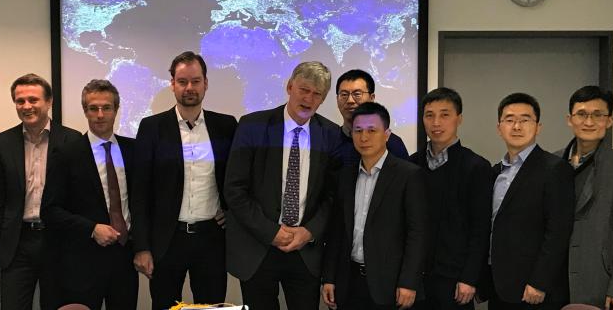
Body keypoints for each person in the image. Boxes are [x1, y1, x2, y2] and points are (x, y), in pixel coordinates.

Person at [223, 61, 343, 310]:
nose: (308, 99)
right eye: (304, 89)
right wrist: (271, 232)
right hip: (258, 248)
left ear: (323, 99)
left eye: (317, 94)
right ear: (289, 87)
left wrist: (309, 231)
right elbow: (234, 189)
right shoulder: (252, 126)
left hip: (304, 251)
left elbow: (332, 196)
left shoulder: (331, 135)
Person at [131, 52, 238, 309]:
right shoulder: (152, 128)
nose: (189, 87)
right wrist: (142, 247)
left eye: (195, 81)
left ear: (206, 83)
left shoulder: (226, 126)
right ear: (172, 84)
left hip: (211, 239)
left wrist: (231, 213)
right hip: (167, 240)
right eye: (182, 81)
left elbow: (237, 179)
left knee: (211, 307)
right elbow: (140, 191)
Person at [0, 73, 83, 310]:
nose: (27, 106)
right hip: (17, 244)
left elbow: (79, 201)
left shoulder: (72, 140)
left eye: (33, 100)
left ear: (49, 101)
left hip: (58, 242)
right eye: (20, 101)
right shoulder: (2, 142)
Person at [42, 79, 138, 310]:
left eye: (106, 107)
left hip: (125, 258)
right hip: (82, 262)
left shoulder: (133, 150)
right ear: (85, 111)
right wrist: (91, 228)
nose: (100, 114)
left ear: (116, 109)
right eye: (93, 108)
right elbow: (50, 210)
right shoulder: (66, 154)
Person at [322, 102, 427, 309]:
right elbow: (337, 231)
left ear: (387, 135)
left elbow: (418, 233)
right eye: (358, 131)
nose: (364, 137)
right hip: (349, 281)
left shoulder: (409, 175)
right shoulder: (345, 176)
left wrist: (409, 282)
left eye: (372, 130)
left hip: (390, 284)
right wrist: (329, 277)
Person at [553, 86, 613, 310]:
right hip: (553, 276)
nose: (589, 122)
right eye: (581, 114)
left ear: (609, 121)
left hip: (596, 277)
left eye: (598, 115)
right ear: (569, 119)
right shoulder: (552, 163)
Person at [485, 93, 573, 310]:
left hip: (533, 290)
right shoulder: (494, 172)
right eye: (509, 120)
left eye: (525, 120)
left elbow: (558, 232)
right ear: (499, 128)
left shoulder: (555, 169)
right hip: (499, 285)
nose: (517, 126)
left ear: (538, 127)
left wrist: (540, 282)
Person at [408, 88, 492, 310]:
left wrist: (470, 277)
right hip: (416, 280)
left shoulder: (476, 167)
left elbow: (481, 229)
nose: (436, 122)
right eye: (429, 115)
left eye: (445, 115)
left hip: (455, 281)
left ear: (459, 118)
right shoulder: (411, 165)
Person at [333, 69, 409, 166]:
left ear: (372, 98)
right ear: (337, 99)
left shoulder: (392, 143)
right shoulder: (330, 141)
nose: (350, 100)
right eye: (344, 95)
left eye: (357, 94)